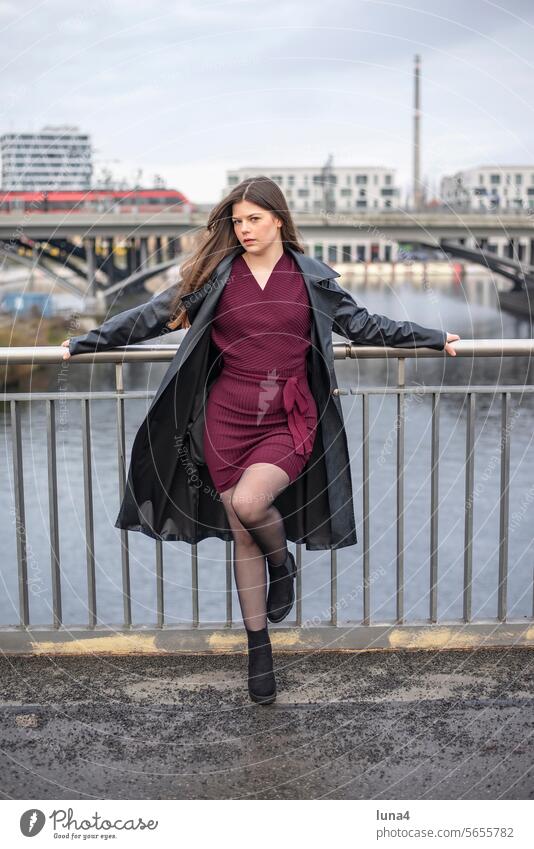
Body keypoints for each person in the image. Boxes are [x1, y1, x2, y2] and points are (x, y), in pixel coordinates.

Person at [62, 176, 460, 705]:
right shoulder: (215, 276)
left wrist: (432, 337)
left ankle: (282, 565)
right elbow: (155, 316)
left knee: (251, 503)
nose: (244, 229)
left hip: (287, 417)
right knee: (242, 529)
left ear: (278, 219)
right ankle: (259, 649)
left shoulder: (310, 279)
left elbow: (363, 326)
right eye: (237, 221)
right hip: (225, 420)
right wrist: (87, 342)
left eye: (254, 218)